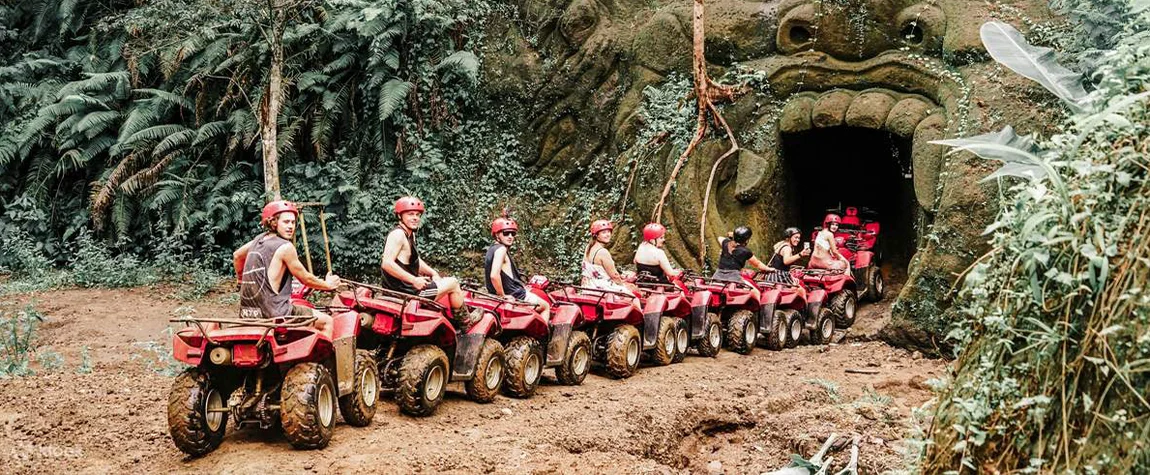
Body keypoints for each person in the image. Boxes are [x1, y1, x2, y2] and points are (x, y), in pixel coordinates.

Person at [234, 200, 339, 338]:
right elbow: (305, 278)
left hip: (248, 314)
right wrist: (328, 285)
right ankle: (327, 359)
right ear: (273, 222)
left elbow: (237, 256)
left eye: (293, 222)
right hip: (275, 314)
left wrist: (241, 280)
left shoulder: (258, 240)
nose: (291, 226)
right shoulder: (285, 247)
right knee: (327, 322)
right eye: (286, 222)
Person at [380, 196, 479, 325]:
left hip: (406, 289)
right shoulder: (398, 235)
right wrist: (414, 280)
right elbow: (386, 263)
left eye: (417, 214)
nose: (415, 218)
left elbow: (414, 260)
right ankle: (465, 322)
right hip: (408, 292)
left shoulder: (409, 234)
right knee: (453, 283)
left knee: (442, 281)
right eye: (410, 214)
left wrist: (432, 272)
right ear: (400, 216)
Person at [485, 215, 551, 321]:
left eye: (513, 233)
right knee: (546, 306)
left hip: (495, 295)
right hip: (516, 296)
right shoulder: (501, 250)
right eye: (506, 233)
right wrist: (503, 296)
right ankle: (543, 336)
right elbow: (494, 275)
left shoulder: (491, 250)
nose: (510, 236)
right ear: (497, 235)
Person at [581, 219, 642, 311]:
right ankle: (642, 323)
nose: (608, 234)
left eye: (609, 232)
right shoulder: (603, 252)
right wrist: (623, 286)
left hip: (588, 286)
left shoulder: (588, 248)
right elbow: (614, 276)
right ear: (596, 235)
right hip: (602, 287)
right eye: (604, 232)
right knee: (634, 298)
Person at [712, 226, 771, 302]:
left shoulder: (726, 243)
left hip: (717, 276)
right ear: (746, 240)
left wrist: (732, 237)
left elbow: (719, 238)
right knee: (756, 293)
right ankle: (760, 312)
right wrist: (769, 268)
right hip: (733, 278)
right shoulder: (745, 251)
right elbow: (758, 264)